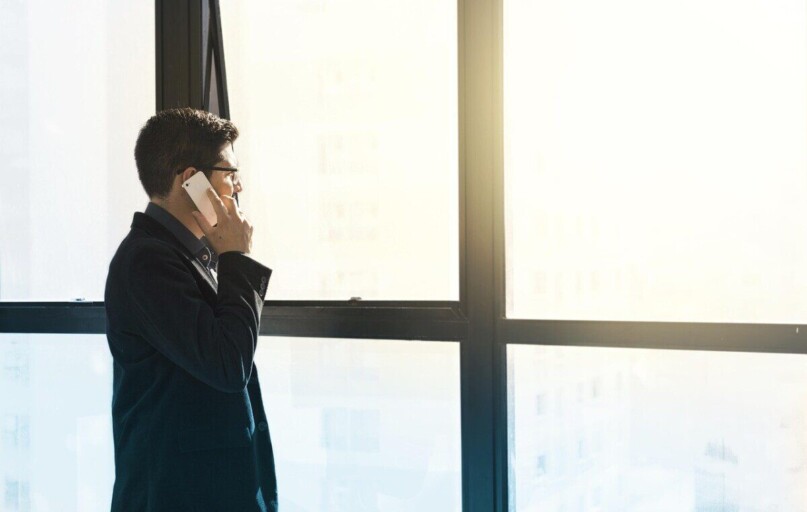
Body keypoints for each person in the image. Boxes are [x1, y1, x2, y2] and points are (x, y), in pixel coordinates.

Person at [104, 108, 278, 511]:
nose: (238, 186)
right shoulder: (146, 261)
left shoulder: (187, 256)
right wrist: (236, 257)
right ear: (191, 181)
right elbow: (228, 364)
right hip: (178, 495)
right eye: (229, 173)